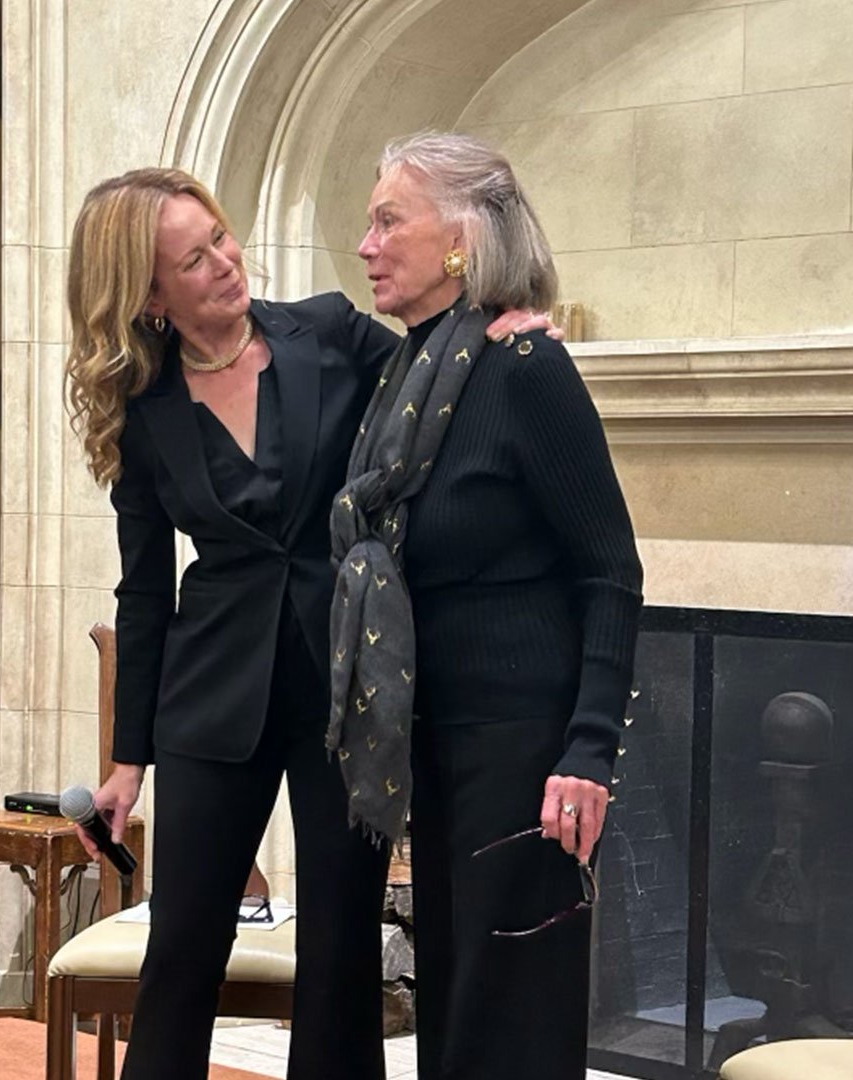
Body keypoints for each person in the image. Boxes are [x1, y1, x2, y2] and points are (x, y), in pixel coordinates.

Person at [62, 167, 552, 1080]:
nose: (223, 263)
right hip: (211, 704)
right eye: (192, 259)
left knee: (339, 949)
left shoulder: (325, 331)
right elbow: (143, 591)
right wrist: (128, 761)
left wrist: (508, 327)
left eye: (220, 238)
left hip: (348, 690)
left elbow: (433, 358)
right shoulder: (143, 412)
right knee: (181, 951)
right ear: (149, 294)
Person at [328, 132, 643, 1079]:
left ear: (462, 236)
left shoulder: (524, 371)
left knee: (510, 1019)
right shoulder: (405, 378)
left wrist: (590, 749)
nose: (366, 243)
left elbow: (611, 571)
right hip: (440, 741)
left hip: (524, 750)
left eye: (390, 219)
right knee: (459, 1019)